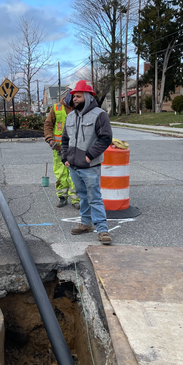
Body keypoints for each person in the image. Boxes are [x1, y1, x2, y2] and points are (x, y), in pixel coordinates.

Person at [61, 80, 113, 245]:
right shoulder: (70, 116)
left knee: (94, 197)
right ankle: (85, 224)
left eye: (78, 96)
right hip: (74, 166)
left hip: (90, 166)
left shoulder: (99, 115)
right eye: (73, 96)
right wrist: (65, 158)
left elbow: (105, 138)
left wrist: (89, 156)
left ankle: (102, 229)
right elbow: (65, 140)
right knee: (82, 195)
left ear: (88, 97)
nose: (74, 99)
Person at [44, 90, 80, 209]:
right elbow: (48, 125)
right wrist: (50, 139)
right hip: (58, 147)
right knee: (61, 174)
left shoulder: (79, 107)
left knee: (74, 174)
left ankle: (76, 199)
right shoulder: (56, 108)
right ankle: (62, 197)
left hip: (74, 148)